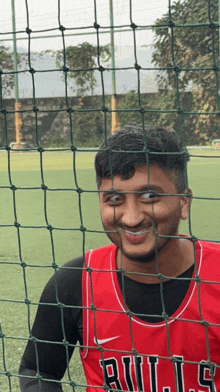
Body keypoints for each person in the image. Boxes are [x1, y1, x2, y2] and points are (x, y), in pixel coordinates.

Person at [19, 126, 220, 392]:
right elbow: (38, 369)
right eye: (115, 199)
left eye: (150, 196)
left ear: (184, 202)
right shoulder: (74, 282)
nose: (131, 218)